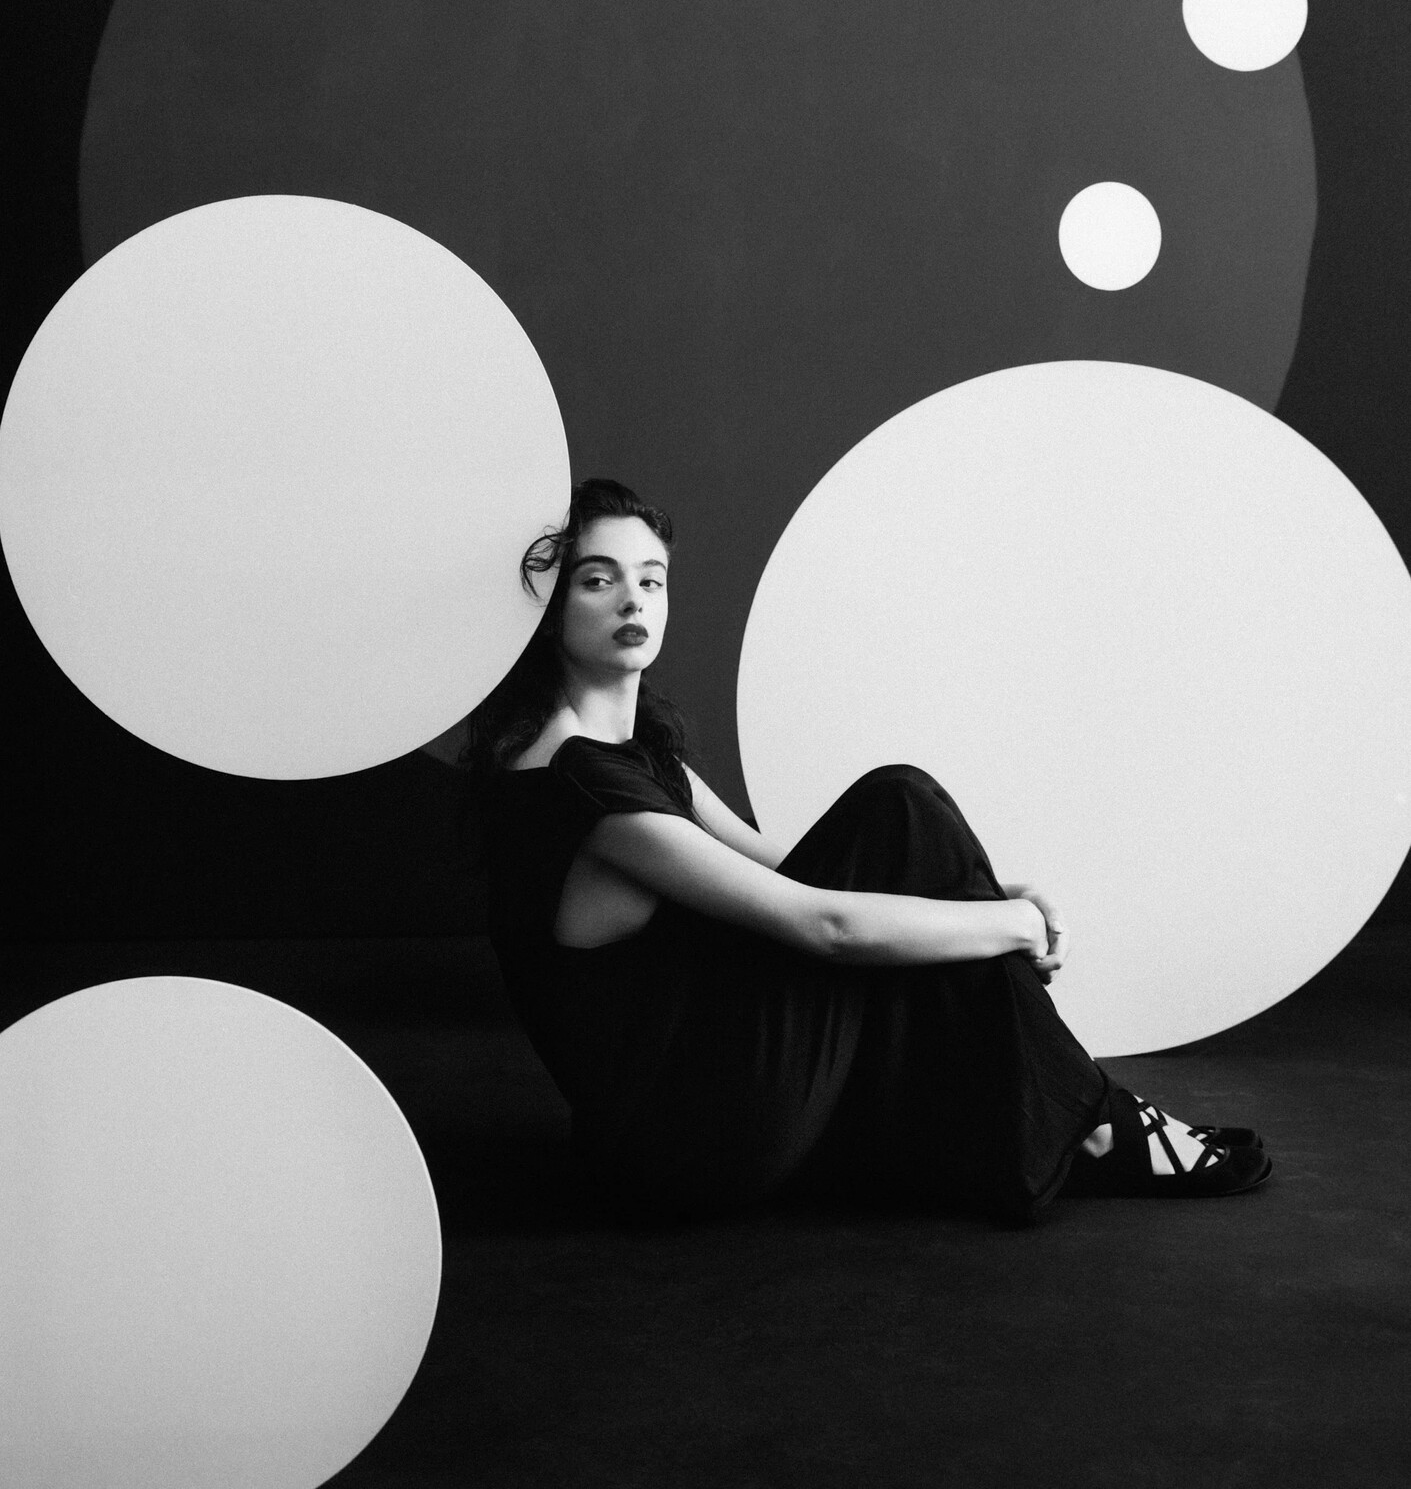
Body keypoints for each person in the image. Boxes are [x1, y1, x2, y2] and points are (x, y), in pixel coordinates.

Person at [461, 478, 1270, 1226]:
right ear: (550, 609)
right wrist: (1012, 925)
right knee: (899, 801)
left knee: (900, 817)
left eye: (651, 579)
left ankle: (1075, 1122)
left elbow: (781, 867)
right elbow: (823, 925)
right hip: (685, 1141)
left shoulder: (636, 755)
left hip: (712, 1091)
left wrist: (983, 898)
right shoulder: (575, 781)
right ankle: (1091, 1119)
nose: (632, 599)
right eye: (597, 580)